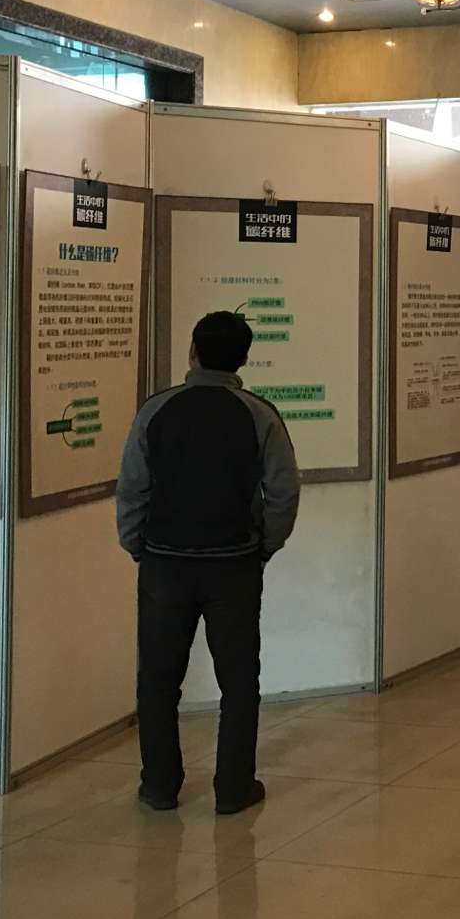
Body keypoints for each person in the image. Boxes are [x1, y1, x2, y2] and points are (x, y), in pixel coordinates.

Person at [117, 310, 300, 816]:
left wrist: (137, 545)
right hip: (234, 566)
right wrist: (264, 546)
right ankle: (234, 788)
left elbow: (132, 488)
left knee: (158, 679)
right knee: (238, 680)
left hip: (164, 565)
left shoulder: (156, 410)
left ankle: (159, 786)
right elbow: (283, 492)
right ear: (243, 359)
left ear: (193, 351)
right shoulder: (260, 414)